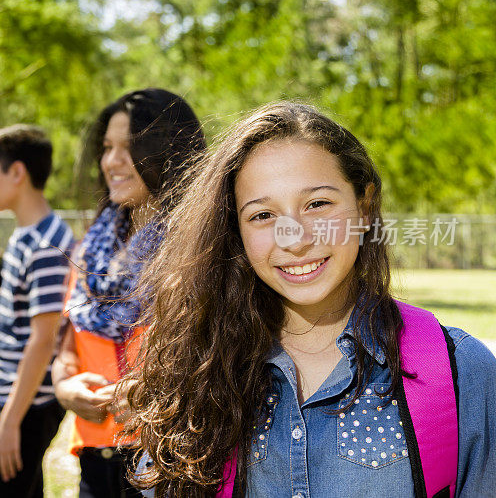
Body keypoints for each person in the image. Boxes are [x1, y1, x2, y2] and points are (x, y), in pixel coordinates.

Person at [124, 102, 496, 496]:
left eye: (317, 204)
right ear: (235, 232)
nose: (296, 238)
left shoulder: (460, 371)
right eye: (262, 215)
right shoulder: (195, 368)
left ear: (364, 207)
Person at [51, 88, 206, 498]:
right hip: (97, 454)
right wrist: (65, 387)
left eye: (129, 148)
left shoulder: (202, 251)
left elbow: (222, 351)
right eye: (106, 148)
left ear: (169, 152)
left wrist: (151, 388)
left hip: (169, 453)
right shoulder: (93, 247)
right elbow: (69, 344)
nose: (111, 162)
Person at [0, 125, 73, 497]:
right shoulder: (26, 234)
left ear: (16, 173)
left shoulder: (48, 244)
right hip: (17, 402)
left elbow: (43, 339)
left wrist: (10, 423)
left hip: (29, 407)